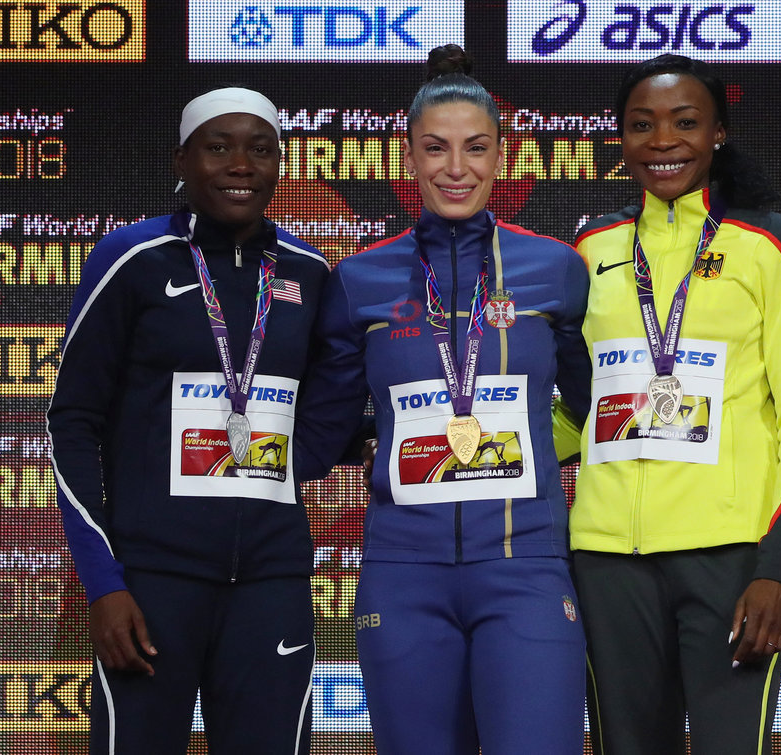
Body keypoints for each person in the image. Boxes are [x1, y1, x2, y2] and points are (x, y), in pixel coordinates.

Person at [296, 45, 591, 755]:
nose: (456, 168)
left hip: (525, 569)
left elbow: (594, 406)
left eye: (475, 148)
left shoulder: (554, 269)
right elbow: (324, 425)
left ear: (502, 156)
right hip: (404, 577)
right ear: (409, 157)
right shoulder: (360, 280)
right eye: (436, 148)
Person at [563, 55, 781, 754]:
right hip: (607, 558)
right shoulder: (590, 248)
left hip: (729, 558)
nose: (663, 141)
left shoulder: (768, 243)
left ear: (718, 132)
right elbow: (580, 407)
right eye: (641, 125)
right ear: (621, 138)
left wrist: (775, 569)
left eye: (685, 123)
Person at [47, 87, 328, 754]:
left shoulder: (310, 272)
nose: (241, 164)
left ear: (280, 164)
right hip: (151, 583)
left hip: (271, 583)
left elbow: (325, 413)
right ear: (182, 159)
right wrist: (105, 584)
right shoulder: (131, 259)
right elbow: (72, 422)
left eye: (261, 149)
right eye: (218, 147)